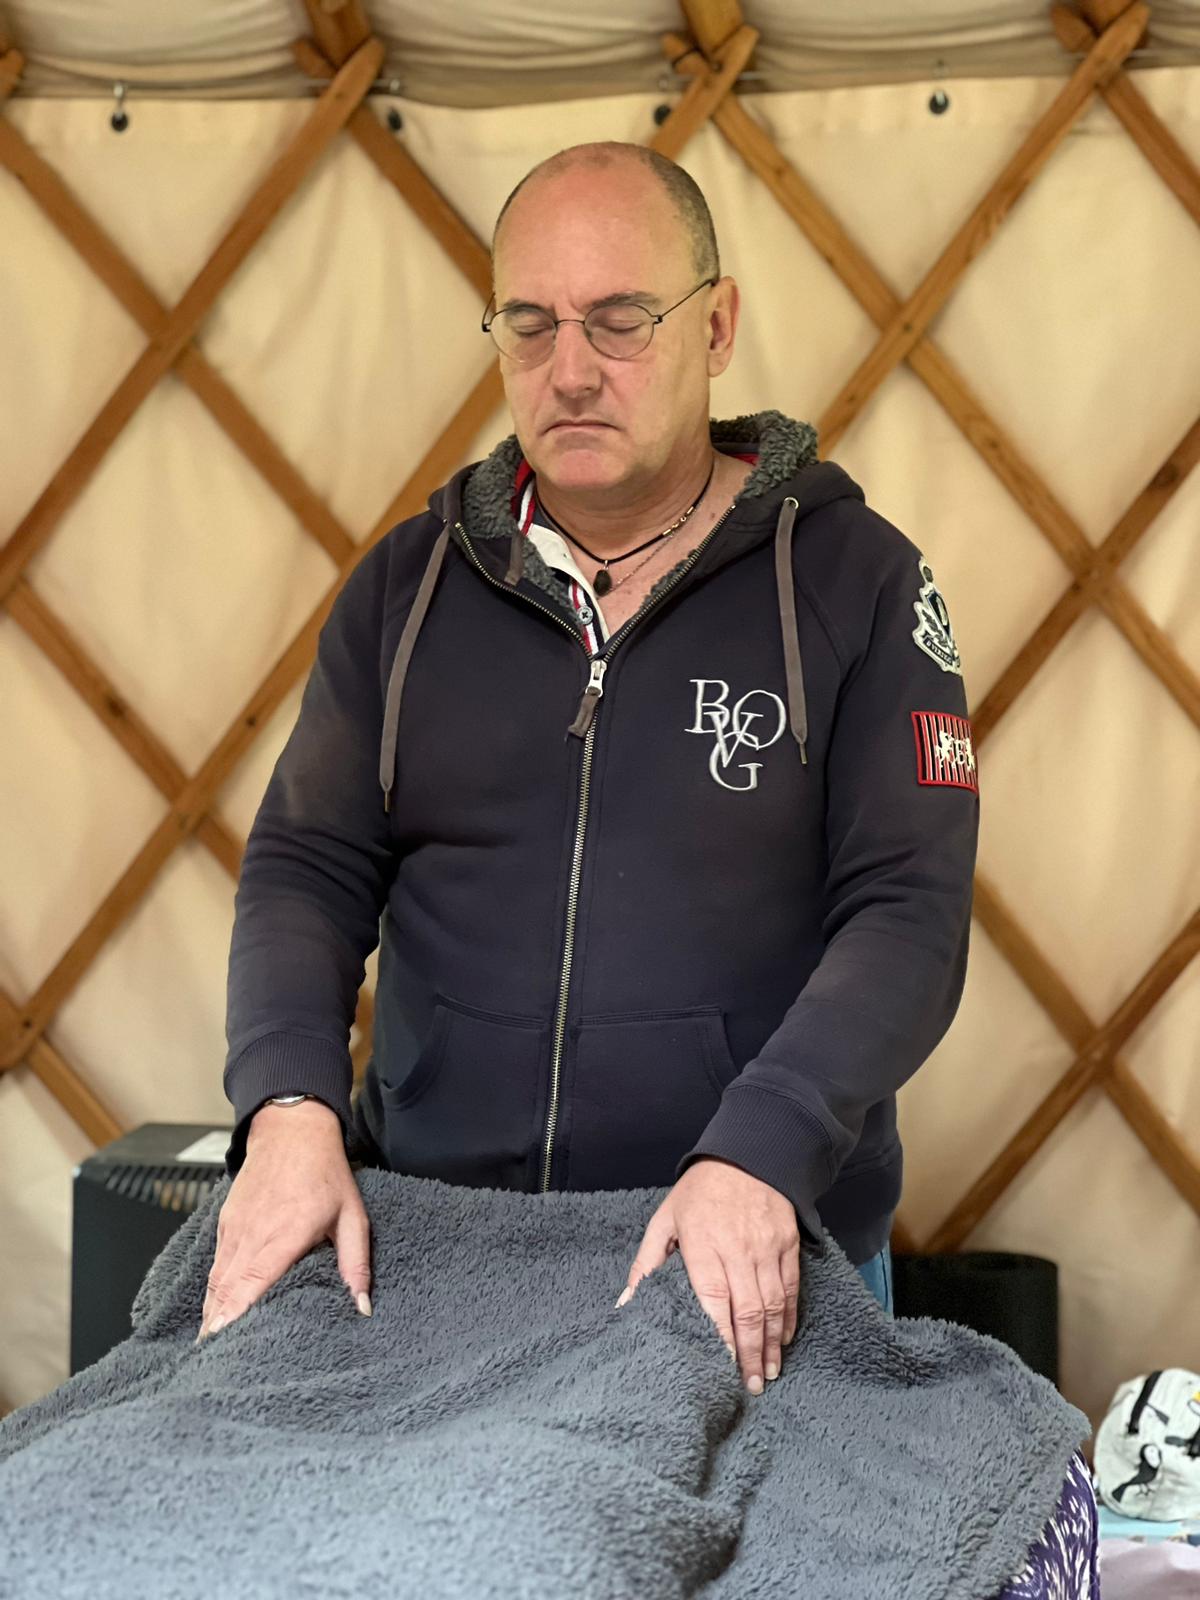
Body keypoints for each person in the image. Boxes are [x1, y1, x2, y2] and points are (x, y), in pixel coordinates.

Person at [199, 141, 979, 1400]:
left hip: (752, 1253)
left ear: (716, 326)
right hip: (438, 1256)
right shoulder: (407, 590)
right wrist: (287, 1103)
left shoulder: (857, 585)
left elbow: (910, 914)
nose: (570, 370)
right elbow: (306, 864)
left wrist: (763, 1147)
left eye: (621, 321)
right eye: (530, 324)